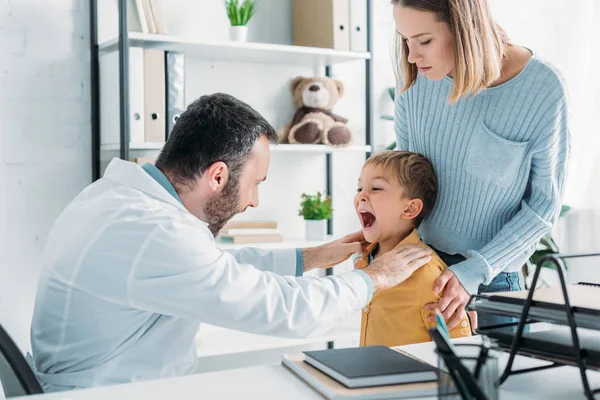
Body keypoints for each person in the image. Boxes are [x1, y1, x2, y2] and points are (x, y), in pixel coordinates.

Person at [29, 93, 433, 392]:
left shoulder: (120, 201)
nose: (254, 200)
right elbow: (285, 311)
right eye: (255, 183)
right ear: (218, 176)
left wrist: (309, 257)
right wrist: (376, 277)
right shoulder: (156, 232)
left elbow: (211, 266)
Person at [391, 0, 570, 329]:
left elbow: (543, 206)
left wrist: (472, 273)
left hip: (495, 285)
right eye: (405, 40)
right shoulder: (415, 82)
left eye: (424, 40)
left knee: (493, 382)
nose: (413, 56)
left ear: (464, 28)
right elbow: (407, 183)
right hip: (422, 274)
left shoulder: (542, 88)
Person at [354, 151, 471, 347]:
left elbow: (458, 344)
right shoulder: (364, 259)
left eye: (376, 188)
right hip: (371, 373)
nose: (361, 197)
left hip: (411, 377)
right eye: (359, 188)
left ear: (409, 209)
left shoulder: (426, 274)